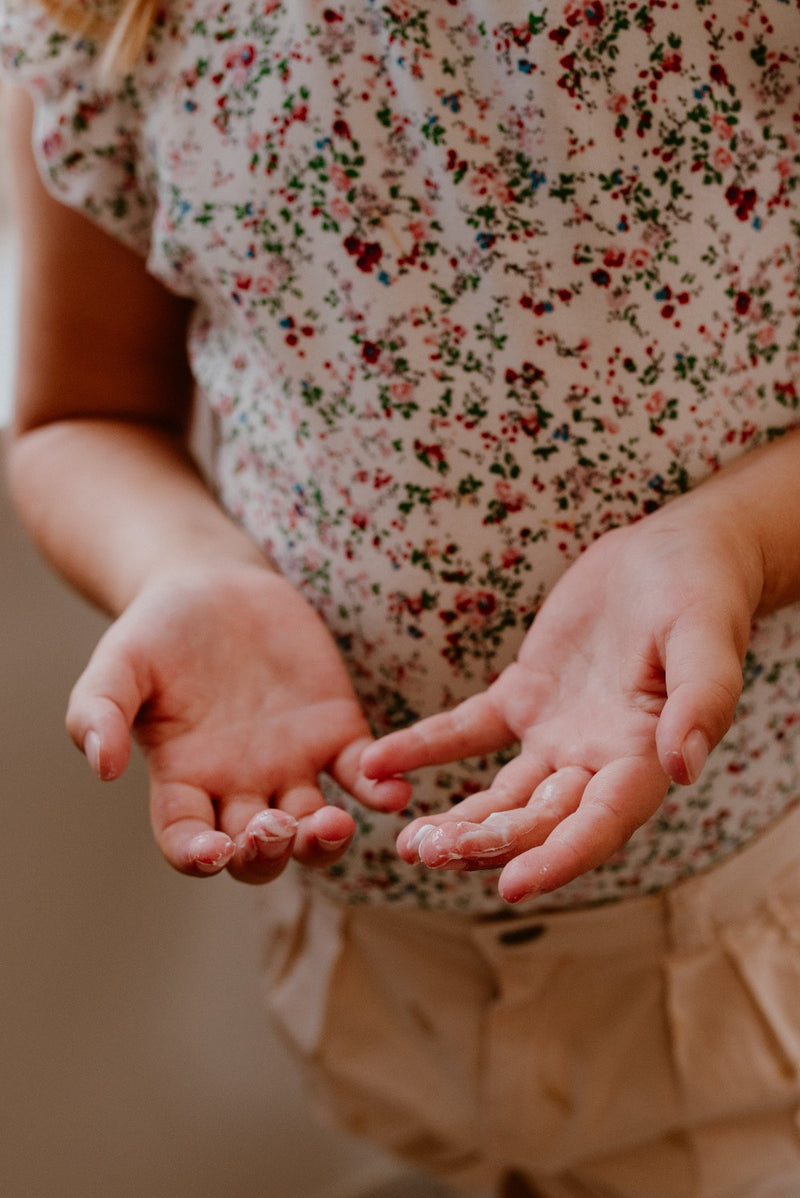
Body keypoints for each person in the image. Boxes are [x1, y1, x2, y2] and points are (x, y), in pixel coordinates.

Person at [2, 1, 800, 1194]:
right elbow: (81, 410)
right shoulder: (118, 17)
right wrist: (183, 564)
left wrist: (731, 541)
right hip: (370, 937)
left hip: (742, 931)